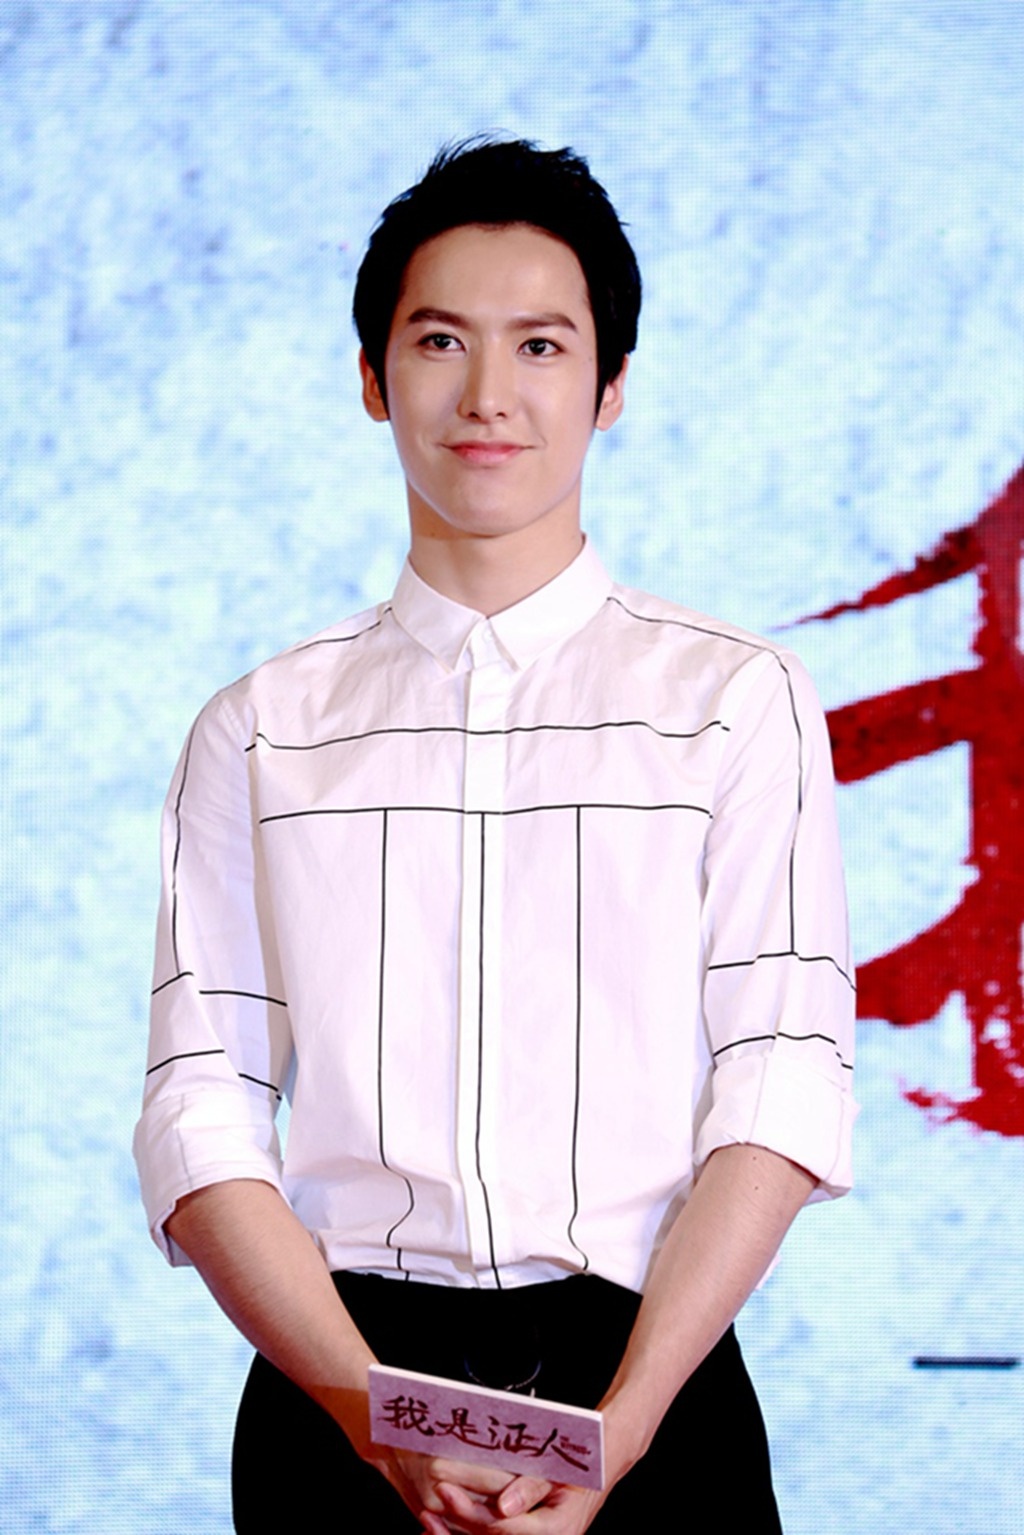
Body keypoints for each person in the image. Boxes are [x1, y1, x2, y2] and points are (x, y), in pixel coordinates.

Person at [134, 138, 856, 1533]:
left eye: (539, 345)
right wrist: (379, 1416)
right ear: (372, 377)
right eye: (439, 341)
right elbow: (200, 1105)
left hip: (650, 1380)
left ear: (611, 385)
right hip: (339, 1380)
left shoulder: (733, 699)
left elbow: (781, 1074)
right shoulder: (261, 727)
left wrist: (621, 1431)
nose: (486, 395)